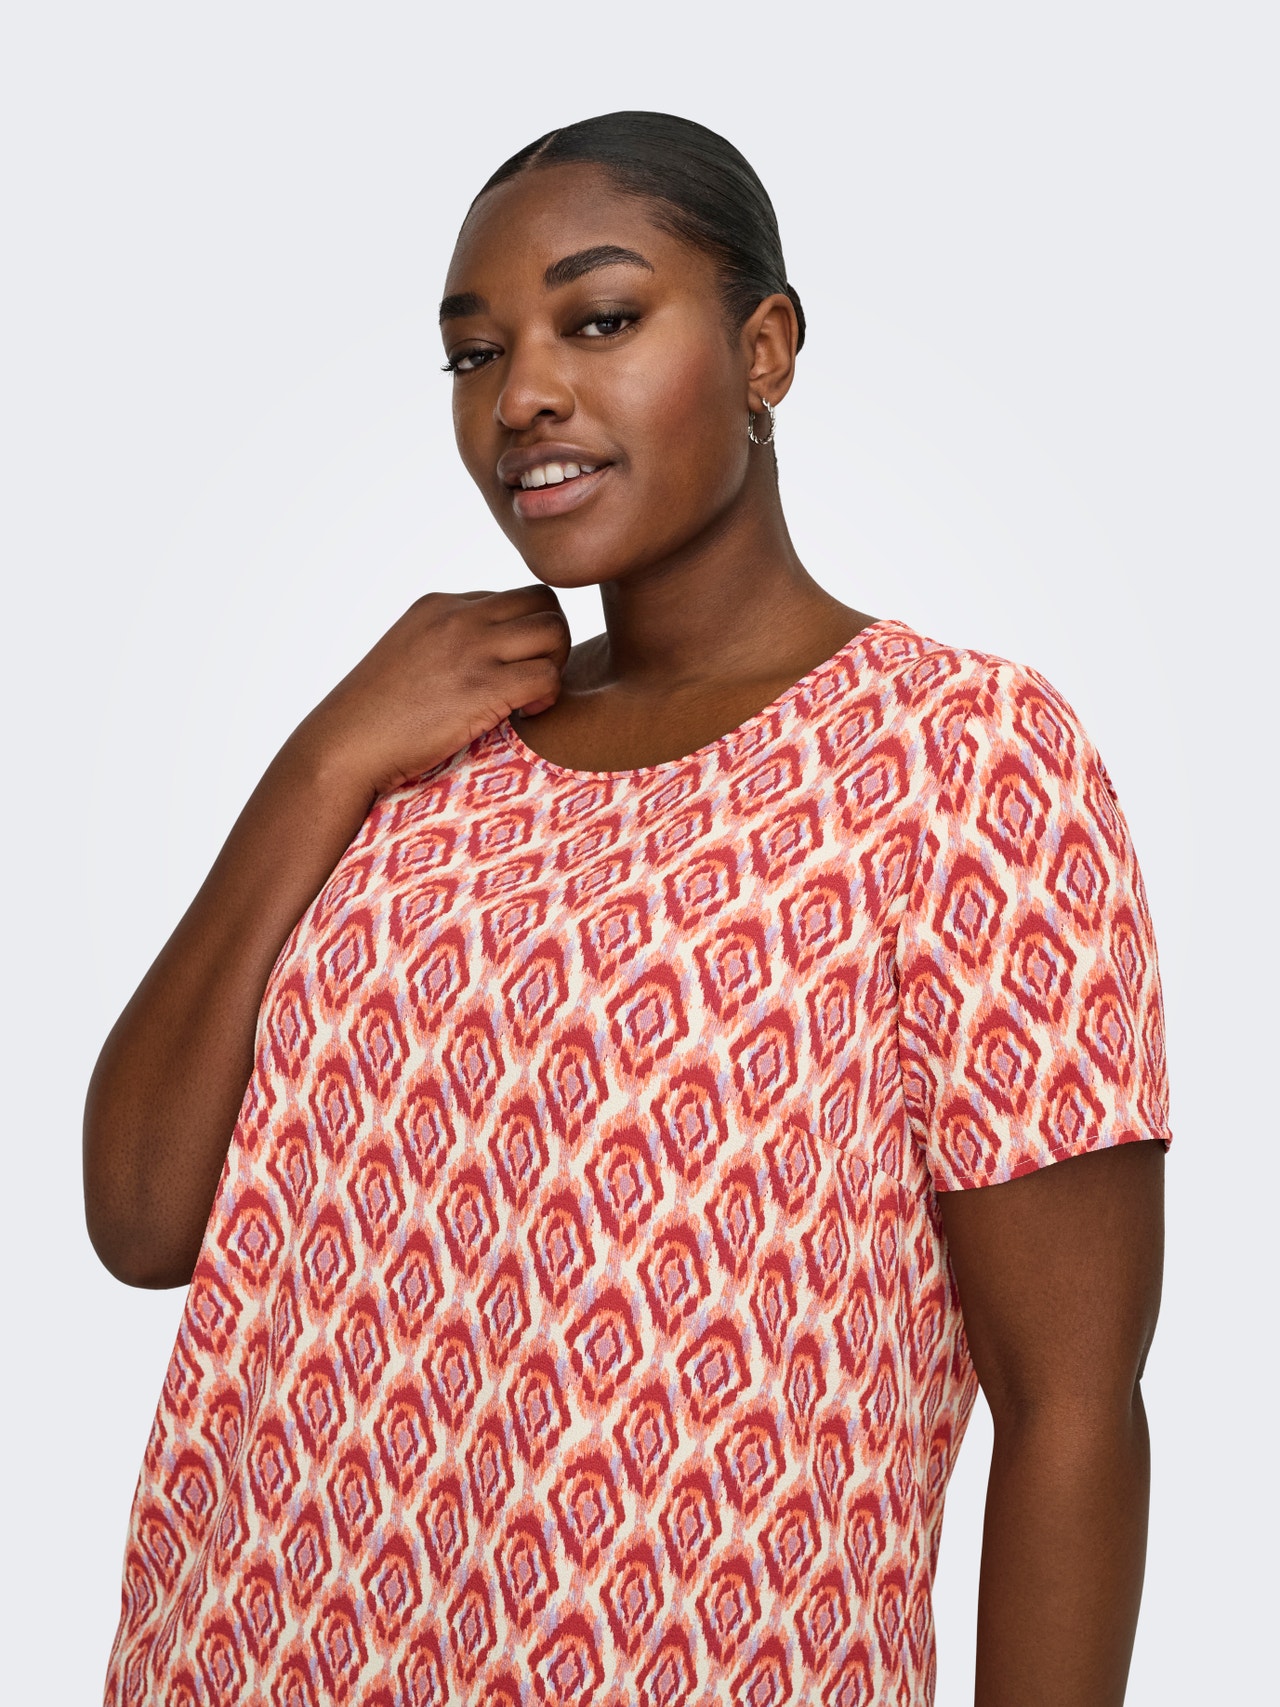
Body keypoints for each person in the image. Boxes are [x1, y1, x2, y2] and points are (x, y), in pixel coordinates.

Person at [86, 111, 1169, 1707]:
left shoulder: (962, 758)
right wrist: (321, 761)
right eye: (475, 354)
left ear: (764, 350)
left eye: (599, 320)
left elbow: (1071, 1402)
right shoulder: (423, 755)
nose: (522, 394)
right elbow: (142, 1217)